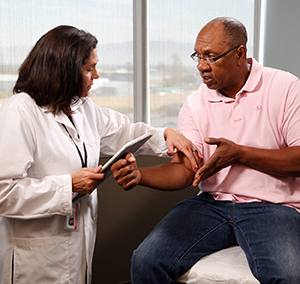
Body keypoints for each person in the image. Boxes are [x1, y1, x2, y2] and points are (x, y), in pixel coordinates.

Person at [0, 25, 201, 284]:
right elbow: (3, 193)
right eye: (88, 68)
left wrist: (166, 135)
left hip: (77, 245)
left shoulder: (81, 107)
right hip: (35, 257)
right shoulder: (19, 112)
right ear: (64, 69)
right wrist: (68, 185)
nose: (96, 74)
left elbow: (126, 132)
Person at [112, 17, 300, 283]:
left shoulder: (286, 88)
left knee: (288, 276)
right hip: (212, 204)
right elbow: (185, 170)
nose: (201, 66)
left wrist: (240, 154)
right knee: (145, 261)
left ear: (240, 54)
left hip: (274, 207)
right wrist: (141, 176)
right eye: (198, 56)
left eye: (211, 57)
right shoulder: (195, 103)